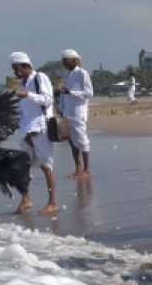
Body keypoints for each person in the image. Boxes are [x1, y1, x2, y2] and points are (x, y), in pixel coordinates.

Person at [10, 50, 59, 214]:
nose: (15, 73)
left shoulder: (40, 78)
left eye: (17, 69)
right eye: (13, 69)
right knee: (22, 166)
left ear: (26, 66)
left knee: (46, 165)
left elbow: (47, 99)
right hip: (25, 129)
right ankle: (26, 199)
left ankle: (52, 203)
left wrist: (28, 94)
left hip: (41, 127)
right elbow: (23, 109)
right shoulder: (21, 84)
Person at [58, 48, 93, 179]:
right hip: (67, 112)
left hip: (78, 112)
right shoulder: (66, 75)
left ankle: (87, 170)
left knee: (82, 140)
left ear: (73, 60)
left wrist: (71, 92)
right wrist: (60, 107)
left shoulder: (82, 74)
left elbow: (89, 93)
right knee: (72, 141)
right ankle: (78, 169)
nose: (64, 63)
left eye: (65, 60)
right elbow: (63, 93)